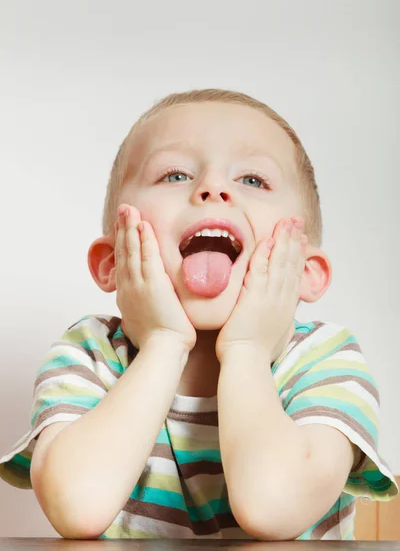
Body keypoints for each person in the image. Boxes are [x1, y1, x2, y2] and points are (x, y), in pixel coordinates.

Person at [0, 89, 397, 541]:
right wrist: (163, 342)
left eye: (252, 180)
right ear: (113, 261)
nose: (213, 188)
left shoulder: (325, 359)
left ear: (306, 271)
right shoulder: (89, 354)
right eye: (175, 174)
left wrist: (246, 350)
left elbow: (273, 506)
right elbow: (77, 504)